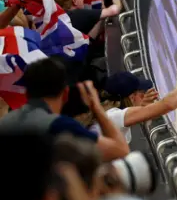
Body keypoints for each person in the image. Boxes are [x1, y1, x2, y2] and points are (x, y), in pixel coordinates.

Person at [91, 41, 177, 143]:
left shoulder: (105, 113)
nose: (145, 96)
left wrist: (141, 107)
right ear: (132, 97)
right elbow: (168, 105)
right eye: (141, 94)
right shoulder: (114, 117)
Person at [0, 57, 130, 161]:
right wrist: (96, 107)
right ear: (65, 93)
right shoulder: (59, 126)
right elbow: (120, 149)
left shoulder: (5, 122)